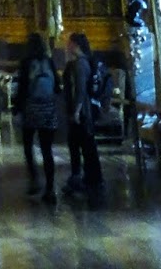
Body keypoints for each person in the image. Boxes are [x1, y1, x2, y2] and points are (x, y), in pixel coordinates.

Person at [13, 30, 58, 203]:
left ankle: (34, 180)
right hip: (48, 109)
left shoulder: (26, 63)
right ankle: (51, 187)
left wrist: (17, 107)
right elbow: (57, 86)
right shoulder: (49, 62)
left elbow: (22, 87)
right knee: (47, 150)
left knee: (28, 146)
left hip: (31, 109)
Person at [65, 32, 103, 202]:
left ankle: (88, 178)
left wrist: (76, 111)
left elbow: (80, 90)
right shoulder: (79, 63)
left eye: (69, 43)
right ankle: (88, 177)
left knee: (83, 144)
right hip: (83, 111)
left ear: (75, 45)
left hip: (82, 112)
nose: (67, 45)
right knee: (84, 144)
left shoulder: (80, 65)